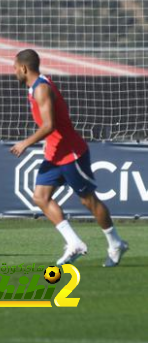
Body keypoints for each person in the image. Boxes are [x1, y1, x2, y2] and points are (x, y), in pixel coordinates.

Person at [10, 49, 128, 267]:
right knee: (40, 197)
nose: (14, 71)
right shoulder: (36, 87)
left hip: (70, 154)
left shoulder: (41, 89)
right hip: (54, 154)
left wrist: (25, 143)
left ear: (24, 68)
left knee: (88, 201)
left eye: (15, 67)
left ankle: (116, 243)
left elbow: (49, 125)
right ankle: (74, 243)